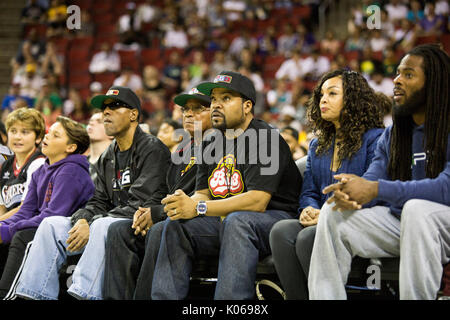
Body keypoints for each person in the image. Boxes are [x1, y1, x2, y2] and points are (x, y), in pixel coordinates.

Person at [140, 71, 302, 300]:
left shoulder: (264, 138)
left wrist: (199, 208)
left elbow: (257, 201)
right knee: (176, 226)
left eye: (226, 99)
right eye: (214, 99)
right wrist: (184, 203)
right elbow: (202, 194)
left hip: (274, 219)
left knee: (238, 221)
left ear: (247, 106)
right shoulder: (211, 141)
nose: (216, 105)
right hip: (228, 220)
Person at [308, 44, 450, 300]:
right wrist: (352, 192)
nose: (396, 80)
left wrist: (376, 189)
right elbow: (373, 178)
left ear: (434, 83)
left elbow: (446, 189)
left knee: (417, 209)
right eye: (397, 73)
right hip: (406, 225)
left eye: (408, 75)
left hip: (439, 222)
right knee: (333, 211)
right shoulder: (394, 134)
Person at [14, 86, 170, 300]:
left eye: (115, 106)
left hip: (136, 228)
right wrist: (83, 219)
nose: (106, 112)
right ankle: (34, 294)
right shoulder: (108, 155)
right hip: (104, 225)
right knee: (52, 225)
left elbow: (141, 203)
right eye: (104, 108)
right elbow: (98, 200)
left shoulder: (152, 149)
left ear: (133, 114)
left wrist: (93, 222)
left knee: (102, 225)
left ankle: (83, 295)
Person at [269, 69, 385, 300]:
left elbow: (372, 191)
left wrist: (325, 214)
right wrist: (308, 209)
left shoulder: (376, 139)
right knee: (281, 231)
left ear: (352, 100)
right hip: (319, 220)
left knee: (307, 238)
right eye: (321, 94)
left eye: (332, 93)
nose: (323, 99)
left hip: (354, 220)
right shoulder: (317, 145)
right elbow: (309, 190)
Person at [103, 86, 212, 299]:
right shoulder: (181, 150)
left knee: (160, 228)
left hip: (196, 218)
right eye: (185, 109)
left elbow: (199, 197)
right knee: (119, 230)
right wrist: (145, 211)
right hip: (170, 214)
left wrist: (157, 214)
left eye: (198, 108)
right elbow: (163, 188)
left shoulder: (217, 146)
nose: (189, 114)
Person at [0, 116, 94, 299]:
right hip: (48, 226)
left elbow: (53, 216)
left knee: (23, 236)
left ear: (70, 147)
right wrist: (3, 228)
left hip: (72, 232)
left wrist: (9, 230)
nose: (48, 136)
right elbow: (25, 211)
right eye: (49, 132)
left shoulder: (71, 170)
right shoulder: (40, 170)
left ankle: (6, 295)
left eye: (56, 135)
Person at [0, 108, 46, 221]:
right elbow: (2, 207)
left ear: (38, 138)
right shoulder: (6, 165)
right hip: (7, 224)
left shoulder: (38, 163)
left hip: (28, 225)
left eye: (25, 132)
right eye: (13, 131)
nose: (17, 137)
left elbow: (24, 209)